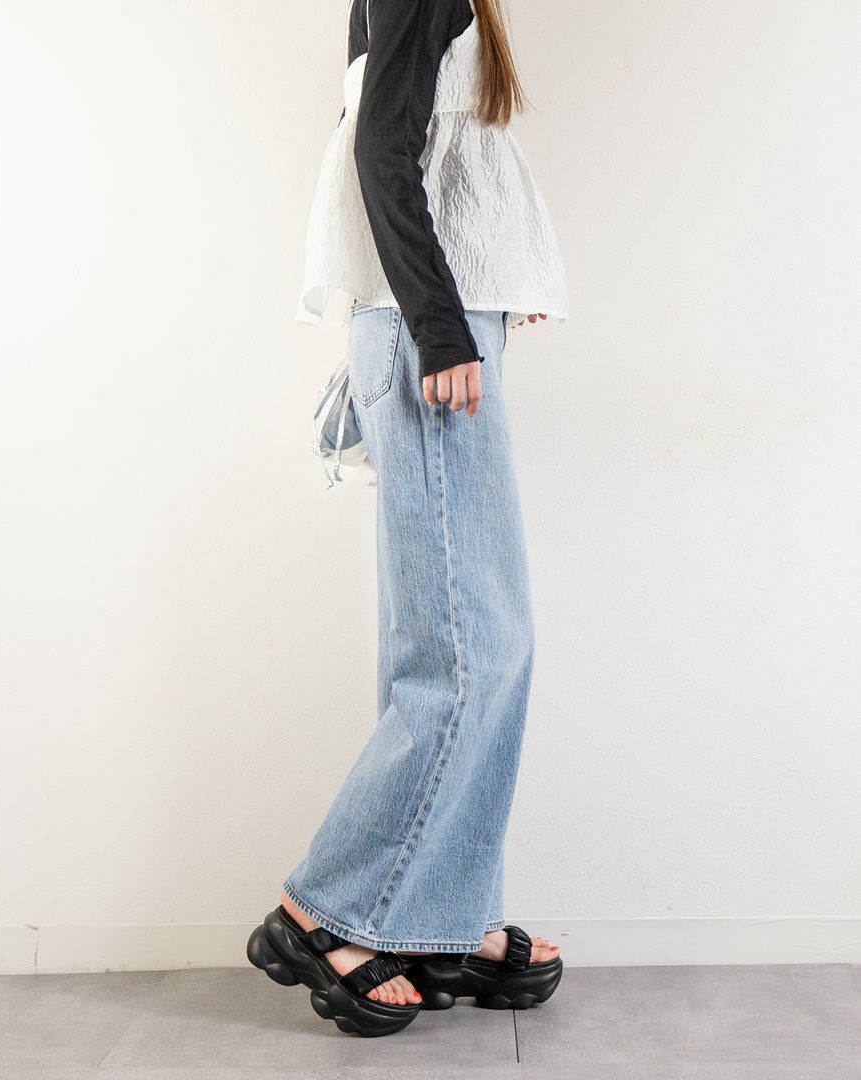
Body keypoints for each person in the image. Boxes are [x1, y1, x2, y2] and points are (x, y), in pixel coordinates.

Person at [248, 0, 569, 1036]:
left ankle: (438, 916)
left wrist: (489, 289)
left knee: (452, 643)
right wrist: (444, 325)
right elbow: (381, 153)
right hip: (429, 337)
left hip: (441, 327)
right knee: (473, 650)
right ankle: (324, 909)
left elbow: (429, 150)